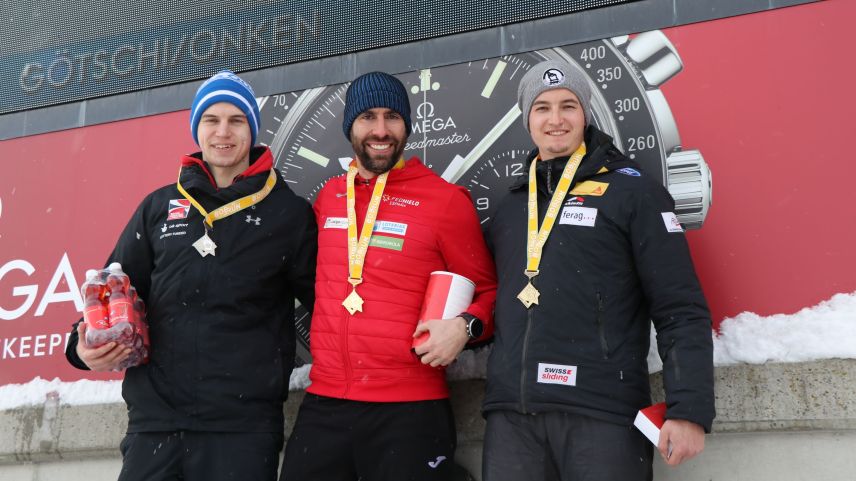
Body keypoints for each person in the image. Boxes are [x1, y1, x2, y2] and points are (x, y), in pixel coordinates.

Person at [65, 70, 317, 481]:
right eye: (211, 120)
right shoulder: (159, 207)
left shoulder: (288, 214)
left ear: (252, 130)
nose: (223, 132)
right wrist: (80, 347)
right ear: (197, 129)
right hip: (155, 425)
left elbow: (326, 306)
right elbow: (114, 288)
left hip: (242, 429)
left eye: (236, 120)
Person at [481, 59, 715, 481]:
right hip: (513, 418)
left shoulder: (633, 192)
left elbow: (680, 307)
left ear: (586, 113)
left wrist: (689, 410)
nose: (556, 119)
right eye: (542, 108)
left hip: (601, 413)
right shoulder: (511, 206)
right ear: (527, 119)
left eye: (568, 105)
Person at [280, 71, 497, 481]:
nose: (380, 130)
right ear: (350, 127)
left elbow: (488, 291)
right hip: (326, 402)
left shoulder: (446, 201)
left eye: (392, 117)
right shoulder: (329, 198)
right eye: (368, 117)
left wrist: (464, 326)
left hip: (410, 409)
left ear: (406, 125)